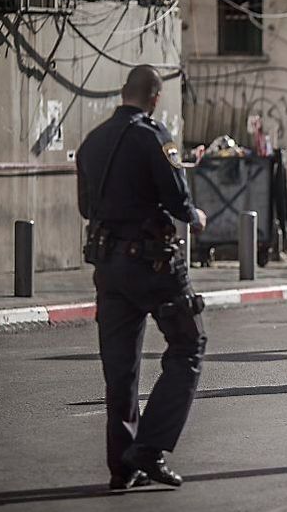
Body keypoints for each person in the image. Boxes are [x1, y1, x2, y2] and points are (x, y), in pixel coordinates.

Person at [76, 65, 208, 489]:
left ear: (122, 92)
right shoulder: (153, 135)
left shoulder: (92, 141)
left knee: (121, 370)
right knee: (189, 344)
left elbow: (85, 207)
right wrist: (195, 216)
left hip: (108, 268)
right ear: (154, 97)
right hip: (153, 265)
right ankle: (149, 449)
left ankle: (122, 467)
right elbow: (177, 198)